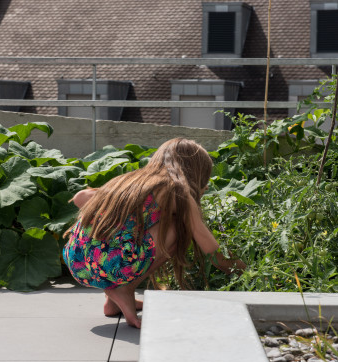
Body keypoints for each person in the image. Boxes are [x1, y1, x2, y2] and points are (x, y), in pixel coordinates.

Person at [63, 138, 246, 328]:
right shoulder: (179, 192)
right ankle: (124, 290)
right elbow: (213, 252)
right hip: (108, 265)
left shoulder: (130, 181)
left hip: (77, 261)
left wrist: (124, 218)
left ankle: (112, 302)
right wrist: (249, 273)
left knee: (141, 227)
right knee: (179, 228)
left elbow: (80, 198)